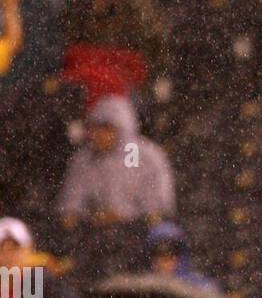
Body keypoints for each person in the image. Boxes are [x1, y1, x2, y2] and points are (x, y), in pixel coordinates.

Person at [56, 94, 176, 240]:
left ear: (122, 127)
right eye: (94, 128)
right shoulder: (83, 161)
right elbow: (70, 208)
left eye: (106, 128)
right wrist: (92, 218)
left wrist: (125, 217)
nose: (98, 135)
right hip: (93, 236)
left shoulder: (145, 156)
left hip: (138, 235)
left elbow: (158, 209)